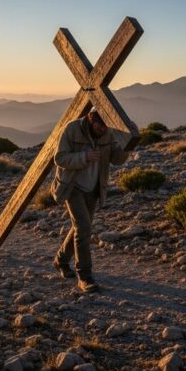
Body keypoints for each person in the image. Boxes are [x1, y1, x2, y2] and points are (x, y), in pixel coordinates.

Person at [50, 107, 131, 292]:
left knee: (80, 228)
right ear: (90, 119)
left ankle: (61, 261)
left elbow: (116, 159)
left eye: (105, 127)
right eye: (99, 126)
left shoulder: (107, 133)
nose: (103, 130)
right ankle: (84, 277)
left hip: (93, 189)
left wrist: (130, 142)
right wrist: (84, 157)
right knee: (84, 228)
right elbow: (60, 158)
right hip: (72, 187)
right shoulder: (72, 129)